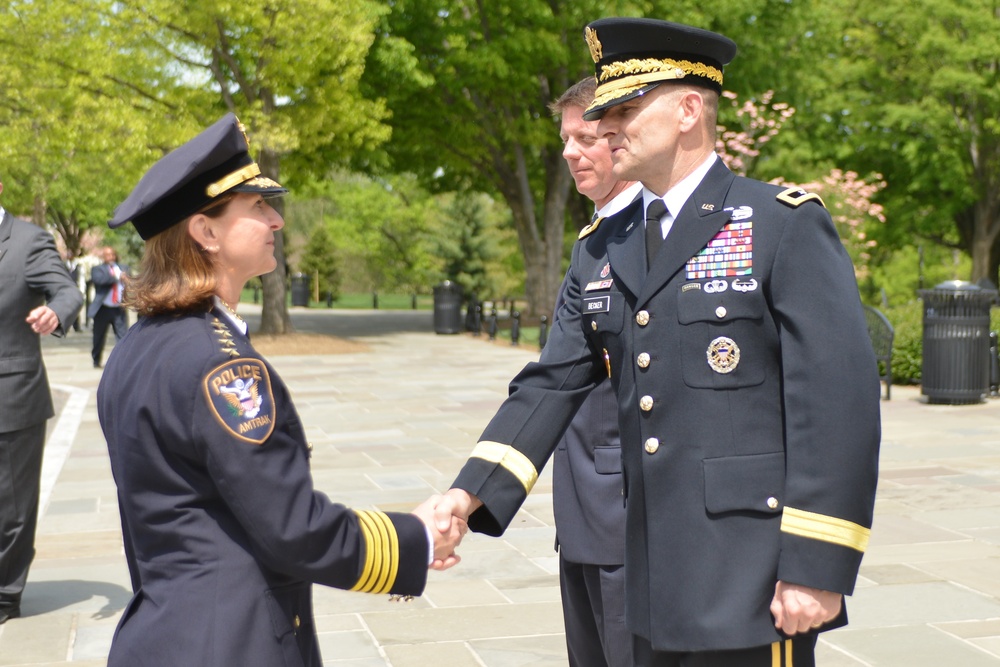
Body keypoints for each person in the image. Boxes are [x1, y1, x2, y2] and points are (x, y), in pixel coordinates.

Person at [435, 17, 880, 666]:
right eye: (602, 110)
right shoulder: (603, 248)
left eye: (626, 107)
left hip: (750, 583)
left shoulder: (778, 224)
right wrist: (466, 492)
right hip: (649, 580)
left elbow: (838, 404)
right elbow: (552, 382)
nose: (607, 124)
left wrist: (818, 564)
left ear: (688, 111)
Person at [97, 114, 465, 666]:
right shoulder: (222, 365)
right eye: (257, 208)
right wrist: (412, 538)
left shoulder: (138, 344)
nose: (276, 220)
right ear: (206, 231)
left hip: (166, 634)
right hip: (232, 642)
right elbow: (292, 528)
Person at [548, 76, 640, 667]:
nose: (569, 152)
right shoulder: (595, 241)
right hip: (582, 510)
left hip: (626, 517)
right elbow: (555, 381)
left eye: (585, 137)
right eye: (565, 139)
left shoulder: (647, 234)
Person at [0, 178, 84, 625]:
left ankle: (5, 594)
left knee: (11, 506)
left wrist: (56, 313)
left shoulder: (28, 241)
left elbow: (67, 291)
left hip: (10, 395)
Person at [87, 246, 129, 367]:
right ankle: (96, 359)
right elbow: (100, 280)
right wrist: (117, 277)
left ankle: (123, 361)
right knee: (98, 337)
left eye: (111, 254)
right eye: (106, 255)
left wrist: (127, 279)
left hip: (119, 308)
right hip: (103, 309)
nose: (109, 257)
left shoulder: (123, 268)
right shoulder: (98, 269)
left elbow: (130, 280)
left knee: (123, 336)